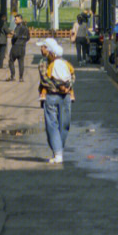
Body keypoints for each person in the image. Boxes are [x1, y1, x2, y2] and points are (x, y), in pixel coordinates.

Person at [37, 36, 74, 165]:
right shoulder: (64, 62)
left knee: (57, 124)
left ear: (49, 50)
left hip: (53, 95)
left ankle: (58, 151)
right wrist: (65, 87)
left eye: (42, 47)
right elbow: (72, 76)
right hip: (63, 95)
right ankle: (58, 151)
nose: (41, 49)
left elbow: (44, 79)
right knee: (60, 124)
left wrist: (57, 87)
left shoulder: (45, 63)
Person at [8, 14, 30, 82]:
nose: (15, 21)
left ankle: (13, 76)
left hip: (16, 46)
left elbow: (15, 36)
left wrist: (13, 35)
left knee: (11, 61)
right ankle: (21, 77)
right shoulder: (26, 28)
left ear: (20, 20)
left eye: (16, 19)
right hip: (23, 47)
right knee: (21, 62)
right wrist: (23, 41)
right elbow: (28, 37)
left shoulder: (18, 27)